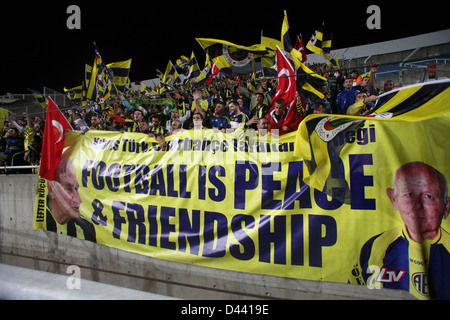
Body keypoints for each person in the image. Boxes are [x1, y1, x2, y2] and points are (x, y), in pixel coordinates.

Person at [353, 162, 450, 299]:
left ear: (446, 207)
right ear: (393, 199)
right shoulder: (375, 246)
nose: (417, 205)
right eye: (409, 194)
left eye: (428, 196)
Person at [46, 156, 96, 242]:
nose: (78, 199)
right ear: (51, 189)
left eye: (76, 189)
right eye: (68, 188)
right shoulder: (40, 218)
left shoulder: (87, 227)